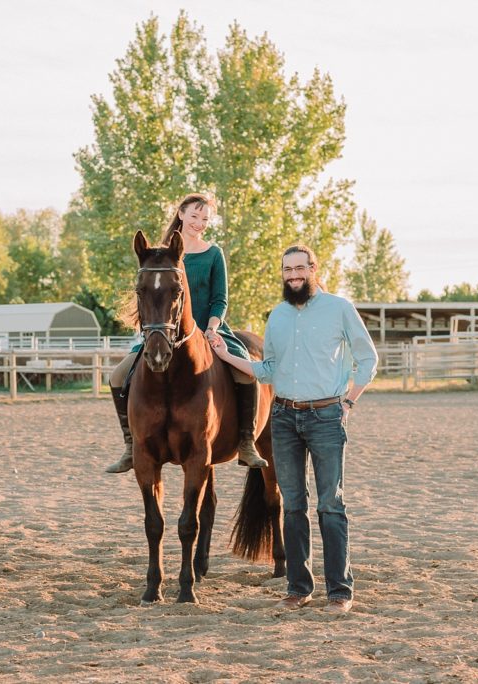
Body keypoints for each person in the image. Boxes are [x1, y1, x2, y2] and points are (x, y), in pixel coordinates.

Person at [210, 245, 377, 614]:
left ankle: (339, 591)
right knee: (293, 505)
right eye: (288, 269)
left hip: (326, 417)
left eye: (300, 268)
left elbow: (368, 358)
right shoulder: (278, 317)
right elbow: (268, 369)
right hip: (283, 418)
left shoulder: (340, 308)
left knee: (331, 505)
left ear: (313, 269)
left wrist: (348, 401)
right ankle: (298, 588)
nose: (294, 275)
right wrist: (225, 355)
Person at [104, 193, 269, 473]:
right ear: (180, 214)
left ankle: (245, 441)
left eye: (205, 219)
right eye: (194, 216)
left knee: (246, 372)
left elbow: (220, 299)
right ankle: (130, 445)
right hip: (164, 333)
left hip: (209, 329)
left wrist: (213, 328)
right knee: (117, 376)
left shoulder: (213, 253)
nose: (199, 223)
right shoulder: (161, 256)